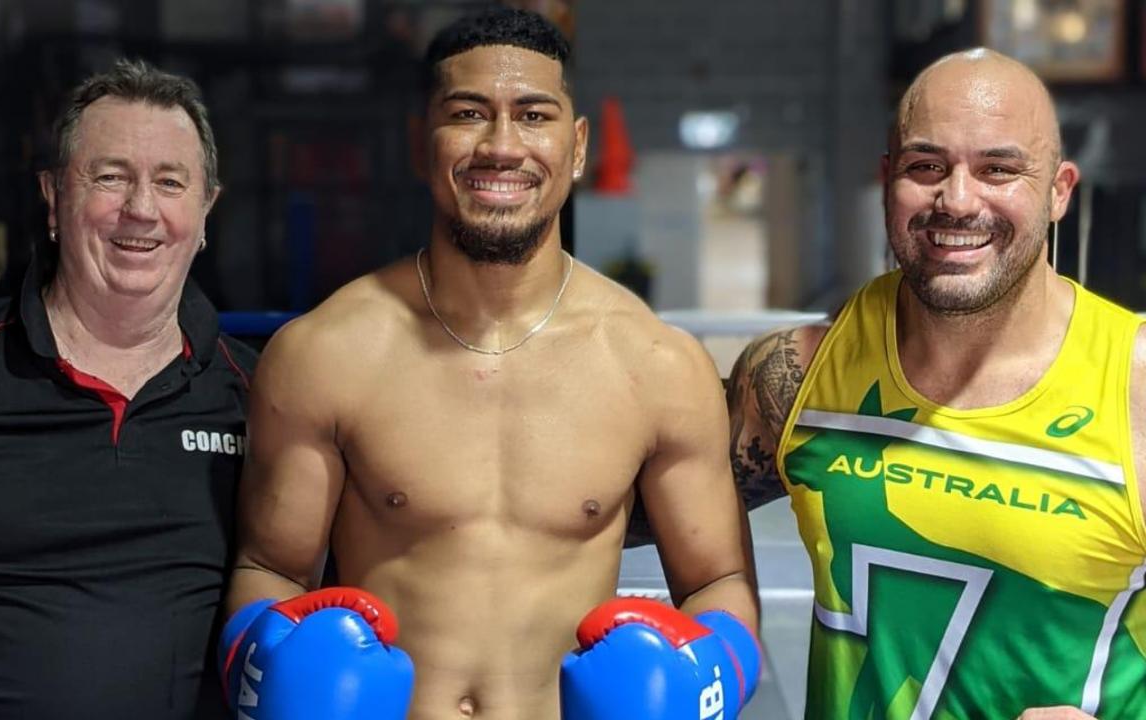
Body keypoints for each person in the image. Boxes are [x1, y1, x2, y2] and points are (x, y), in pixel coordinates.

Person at [220, 8, 759, 720]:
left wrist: (697, 682)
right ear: (422, 143)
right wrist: (272, 675)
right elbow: (270, 570)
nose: (502, 146)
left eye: (533, 115)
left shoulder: (656, 364)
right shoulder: (325, 353)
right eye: (469, 113)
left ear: (576, 146)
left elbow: (718, 580)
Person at [727, 48, 1146, 719]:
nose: (956, 199)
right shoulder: (800, 371)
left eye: (998, 169)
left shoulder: (1135, 388)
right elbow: (595, 514)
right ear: (888, 179)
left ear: (1059, 190)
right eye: (926, 166)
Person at [0, 59, 256, 718]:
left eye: (170, 182)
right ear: (53, 199)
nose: (140, 210)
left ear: (206, 210)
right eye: (109, 177)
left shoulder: (259, 397)